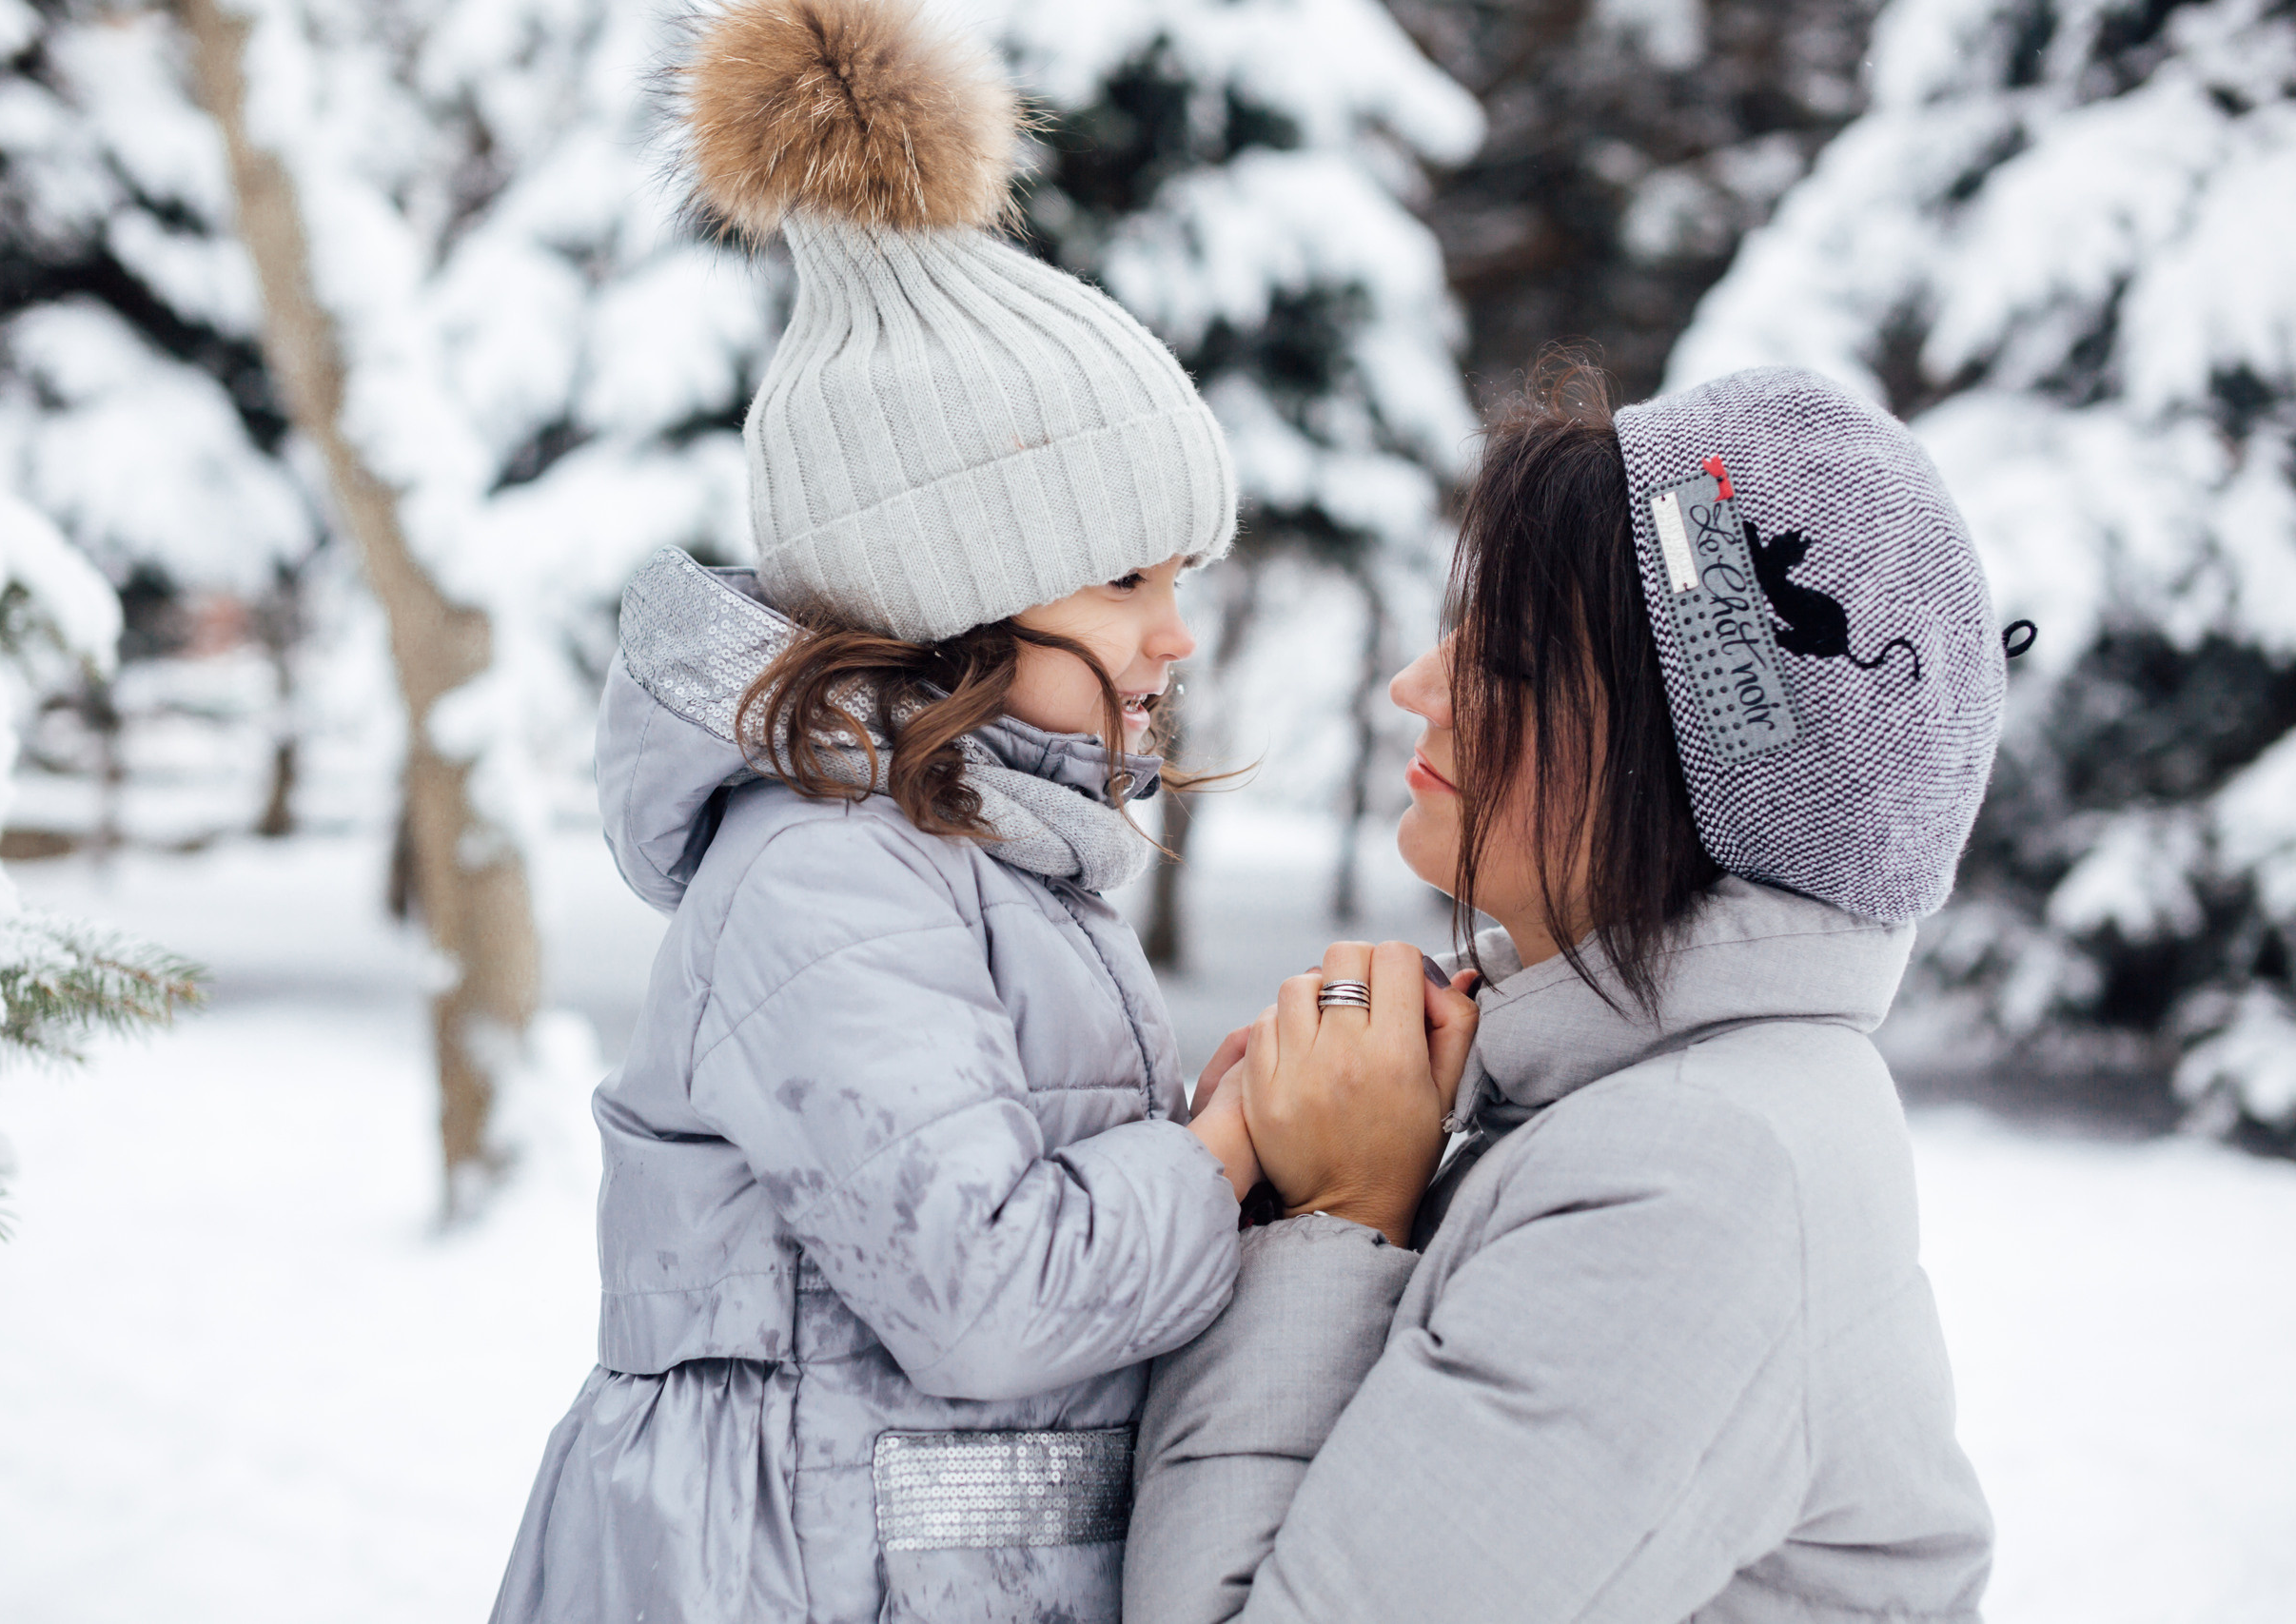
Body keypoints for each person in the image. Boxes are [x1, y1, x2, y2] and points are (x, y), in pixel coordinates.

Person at [484, 2, 1348, 1618]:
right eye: (1123, 580)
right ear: (959, 584)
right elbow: (986, 1294)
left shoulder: (981, 852)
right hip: (780, 1573)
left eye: (1186, 580)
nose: (1174, 633)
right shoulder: (827, 870)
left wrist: (1195, 1130)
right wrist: (1228, 1152)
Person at [1130, 362, 2005, 1623]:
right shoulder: (1617, 1091)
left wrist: (1331, 1220)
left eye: (1517, 663)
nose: (1420, 690)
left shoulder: (1698, 1182)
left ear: (1680, 767)